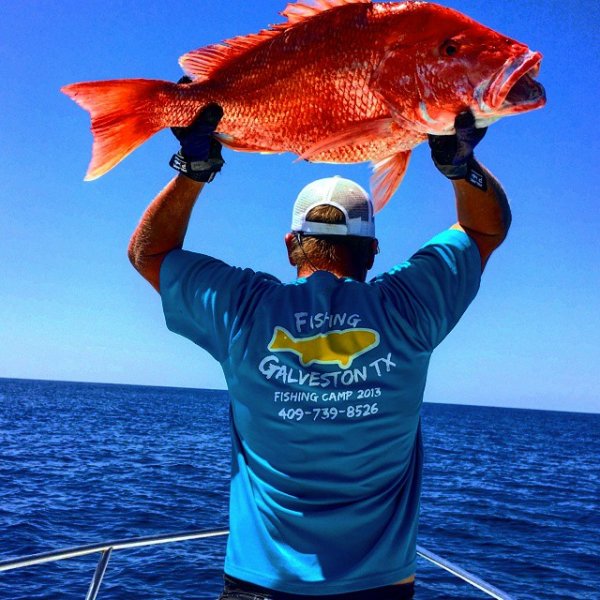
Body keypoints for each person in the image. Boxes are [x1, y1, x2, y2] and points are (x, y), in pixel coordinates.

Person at [128, 105, 511, 600]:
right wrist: (462, 169)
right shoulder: (410, 308)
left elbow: (149, 253)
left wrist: (194, 170)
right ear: (372, 250)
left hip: (258, 584)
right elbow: (484, 230)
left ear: (292, 246)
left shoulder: (244, 309)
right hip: (378, 588)